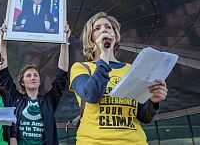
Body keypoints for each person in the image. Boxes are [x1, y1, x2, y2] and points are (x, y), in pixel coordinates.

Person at [70, 12, 168, 144]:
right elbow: (91, 95)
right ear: (90, 38)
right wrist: (104, 57)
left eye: (108, 27)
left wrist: (153, 101)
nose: (104, 29)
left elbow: (144, 117)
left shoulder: (131, 69)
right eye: (97, 28)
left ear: (114, 36)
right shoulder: (81, 68)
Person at [0, 24, 70, 145]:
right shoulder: (16, 100)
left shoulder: (48, 101)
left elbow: (61, 76)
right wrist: (2, 41)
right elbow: (3, 74)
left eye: (36, 75)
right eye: (28, 75)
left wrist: (64, 42)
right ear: (22, 82)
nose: (33, 77)